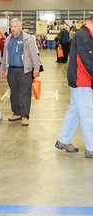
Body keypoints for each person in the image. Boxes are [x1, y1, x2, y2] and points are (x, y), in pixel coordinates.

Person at [55, 16, 93, 158]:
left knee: (75, 111)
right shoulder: (84, 35)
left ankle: (63, 140)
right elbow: (89, 61)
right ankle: (91, 148)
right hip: (81, 80)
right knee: (88, 114)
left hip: (81, 79)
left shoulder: (86, 33)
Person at [1, 18, 40, 126]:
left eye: (15, 26)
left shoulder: (27, 39)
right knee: (14, 92)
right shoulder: (9, 39)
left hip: (25, 70)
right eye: (11, 27)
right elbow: (5, 55)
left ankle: (25, 116)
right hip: (12, 69)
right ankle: (16, 112)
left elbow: (34, 54)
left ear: (20, 27)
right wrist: (3, 68)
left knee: (24, 93)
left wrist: (36, 68)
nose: (13, 29)